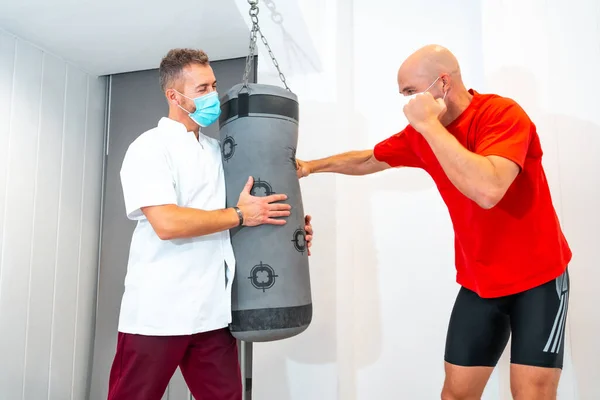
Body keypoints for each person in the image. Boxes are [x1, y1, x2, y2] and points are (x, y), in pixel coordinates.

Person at [296, 44, 571, 399]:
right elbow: (368, 159)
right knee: (455, 395)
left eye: (411, 92)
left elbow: (488, 190)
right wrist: (311, 167)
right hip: (480, 282)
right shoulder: (423, 135)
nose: (407, 103)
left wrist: (427, 125)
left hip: (538, 279)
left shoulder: (502, 114)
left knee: (530, 395)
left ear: (442, 84)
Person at [107, 48, 314, 400]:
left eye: (214, 86)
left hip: (213, 313)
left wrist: (284, 232)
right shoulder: (150, 148)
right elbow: (167, 222)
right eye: (202, 89)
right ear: (174, 96)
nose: (214, 96)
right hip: (158, 313)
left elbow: (245, 209)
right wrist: (240, 215)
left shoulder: (219, 151)